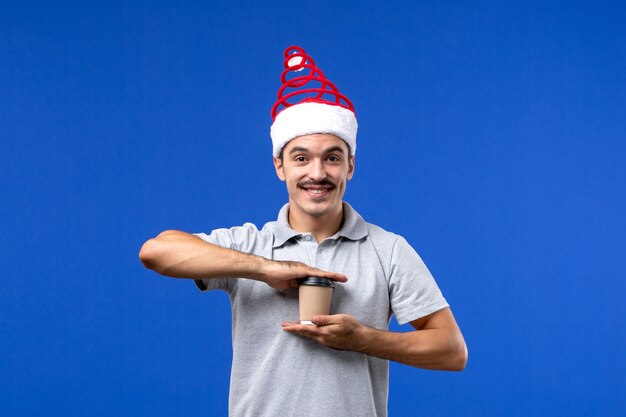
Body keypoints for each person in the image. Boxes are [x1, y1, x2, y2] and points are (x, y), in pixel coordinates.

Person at [139, 46, 467, 417]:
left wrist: (363, 339)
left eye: (332, 157)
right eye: (301, 158)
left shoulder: (387, 249)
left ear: (350, 166)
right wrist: (263, 268)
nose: (317, 173)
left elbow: (452, 351)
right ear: (280, 167)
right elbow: (156, 251)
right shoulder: (250, 244)